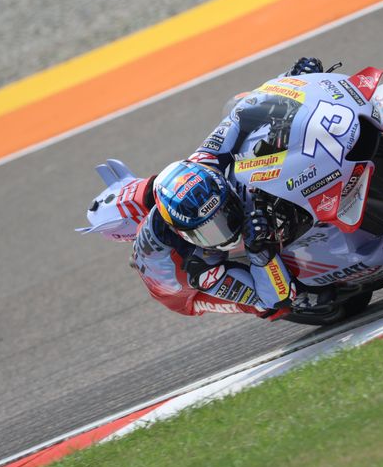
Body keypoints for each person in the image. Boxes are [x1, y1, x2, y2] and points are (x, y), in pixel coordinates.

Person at [130, 58, 327, 320]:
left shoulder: (207, 159)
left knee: (236, 104)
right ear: (185, 234)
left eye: (224, 213)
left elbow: (242, 112)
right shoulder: (199, 269)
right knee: (271, 305)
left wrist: (292, 78)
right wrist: (258, 251)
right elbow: (269, 297)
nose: (227, 227)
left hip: (171, 208)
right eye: (209, 230)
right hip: (175, 285)